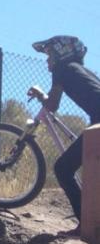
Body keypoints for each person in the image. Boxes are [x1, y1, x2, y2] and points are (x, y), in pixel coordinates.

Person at [28, 35, 100, 228]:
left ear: (61, 53)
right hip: (97, 124)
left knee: (63, 169)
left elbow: (52, 105)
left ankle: (87, 225)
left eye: (49, 53)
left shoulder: (62, 70)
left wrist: (39, 93)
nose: (47, 59)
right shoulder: (82, 71)